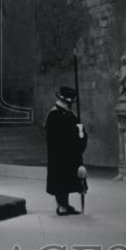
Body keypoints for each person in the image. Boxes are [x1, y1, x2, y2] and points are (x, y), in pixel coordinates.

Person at [44, 85, 88, 216]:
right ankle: (61, 205)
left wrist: (81, 133)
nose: (71, 104)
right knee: (60, 179)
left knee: (68, 179)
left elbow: (78, 132)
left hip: (70, 153)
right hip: (59, 154)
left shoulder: (69, 114)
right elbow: (54, 137)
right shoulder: (53, 114)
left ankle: (66, 204)